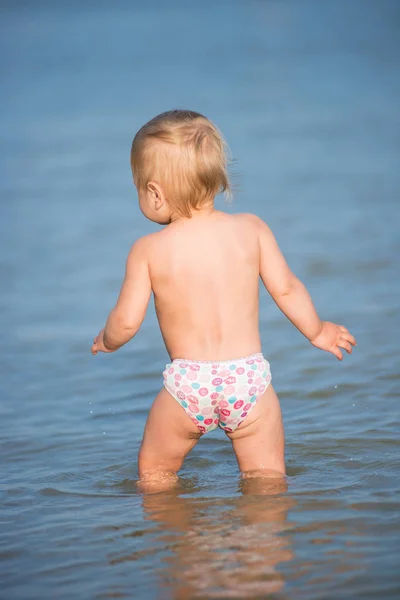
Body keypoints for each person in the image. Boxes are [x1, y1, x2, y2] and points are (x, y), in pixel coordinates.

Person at [91, 109, 356, 489]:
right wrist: (318, 332)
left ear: (154, 192)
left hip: (189, 384)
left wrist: (106, 339)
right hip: (248, 380)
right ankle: (265, 544)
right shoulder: (251, 229)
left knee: (155, 473)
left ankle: (180, 542)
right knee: (266, 479)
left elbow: (127, 322)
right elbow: (286, 288)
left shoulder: (148, 249)